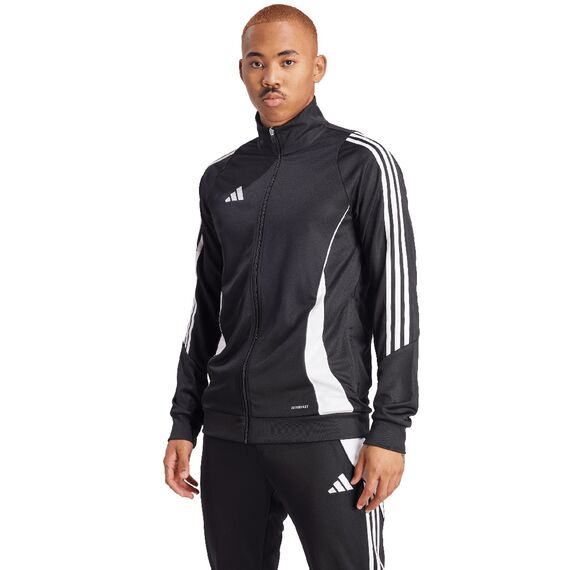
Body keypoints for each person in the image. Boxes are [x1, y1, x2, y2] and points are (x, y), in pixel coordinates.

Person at [163, 4, 420, 569]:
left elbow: (396, 302)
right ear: (241, 71)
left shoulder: (360, 163)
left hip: (324, 429)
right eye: (257, 63)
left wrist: (391, 427)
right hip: (229, 434)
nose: (270, 77)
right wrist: (185, 420)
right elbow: (206, 307)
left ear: (317, 67)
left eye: (287, 61)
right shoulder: (221, 178)